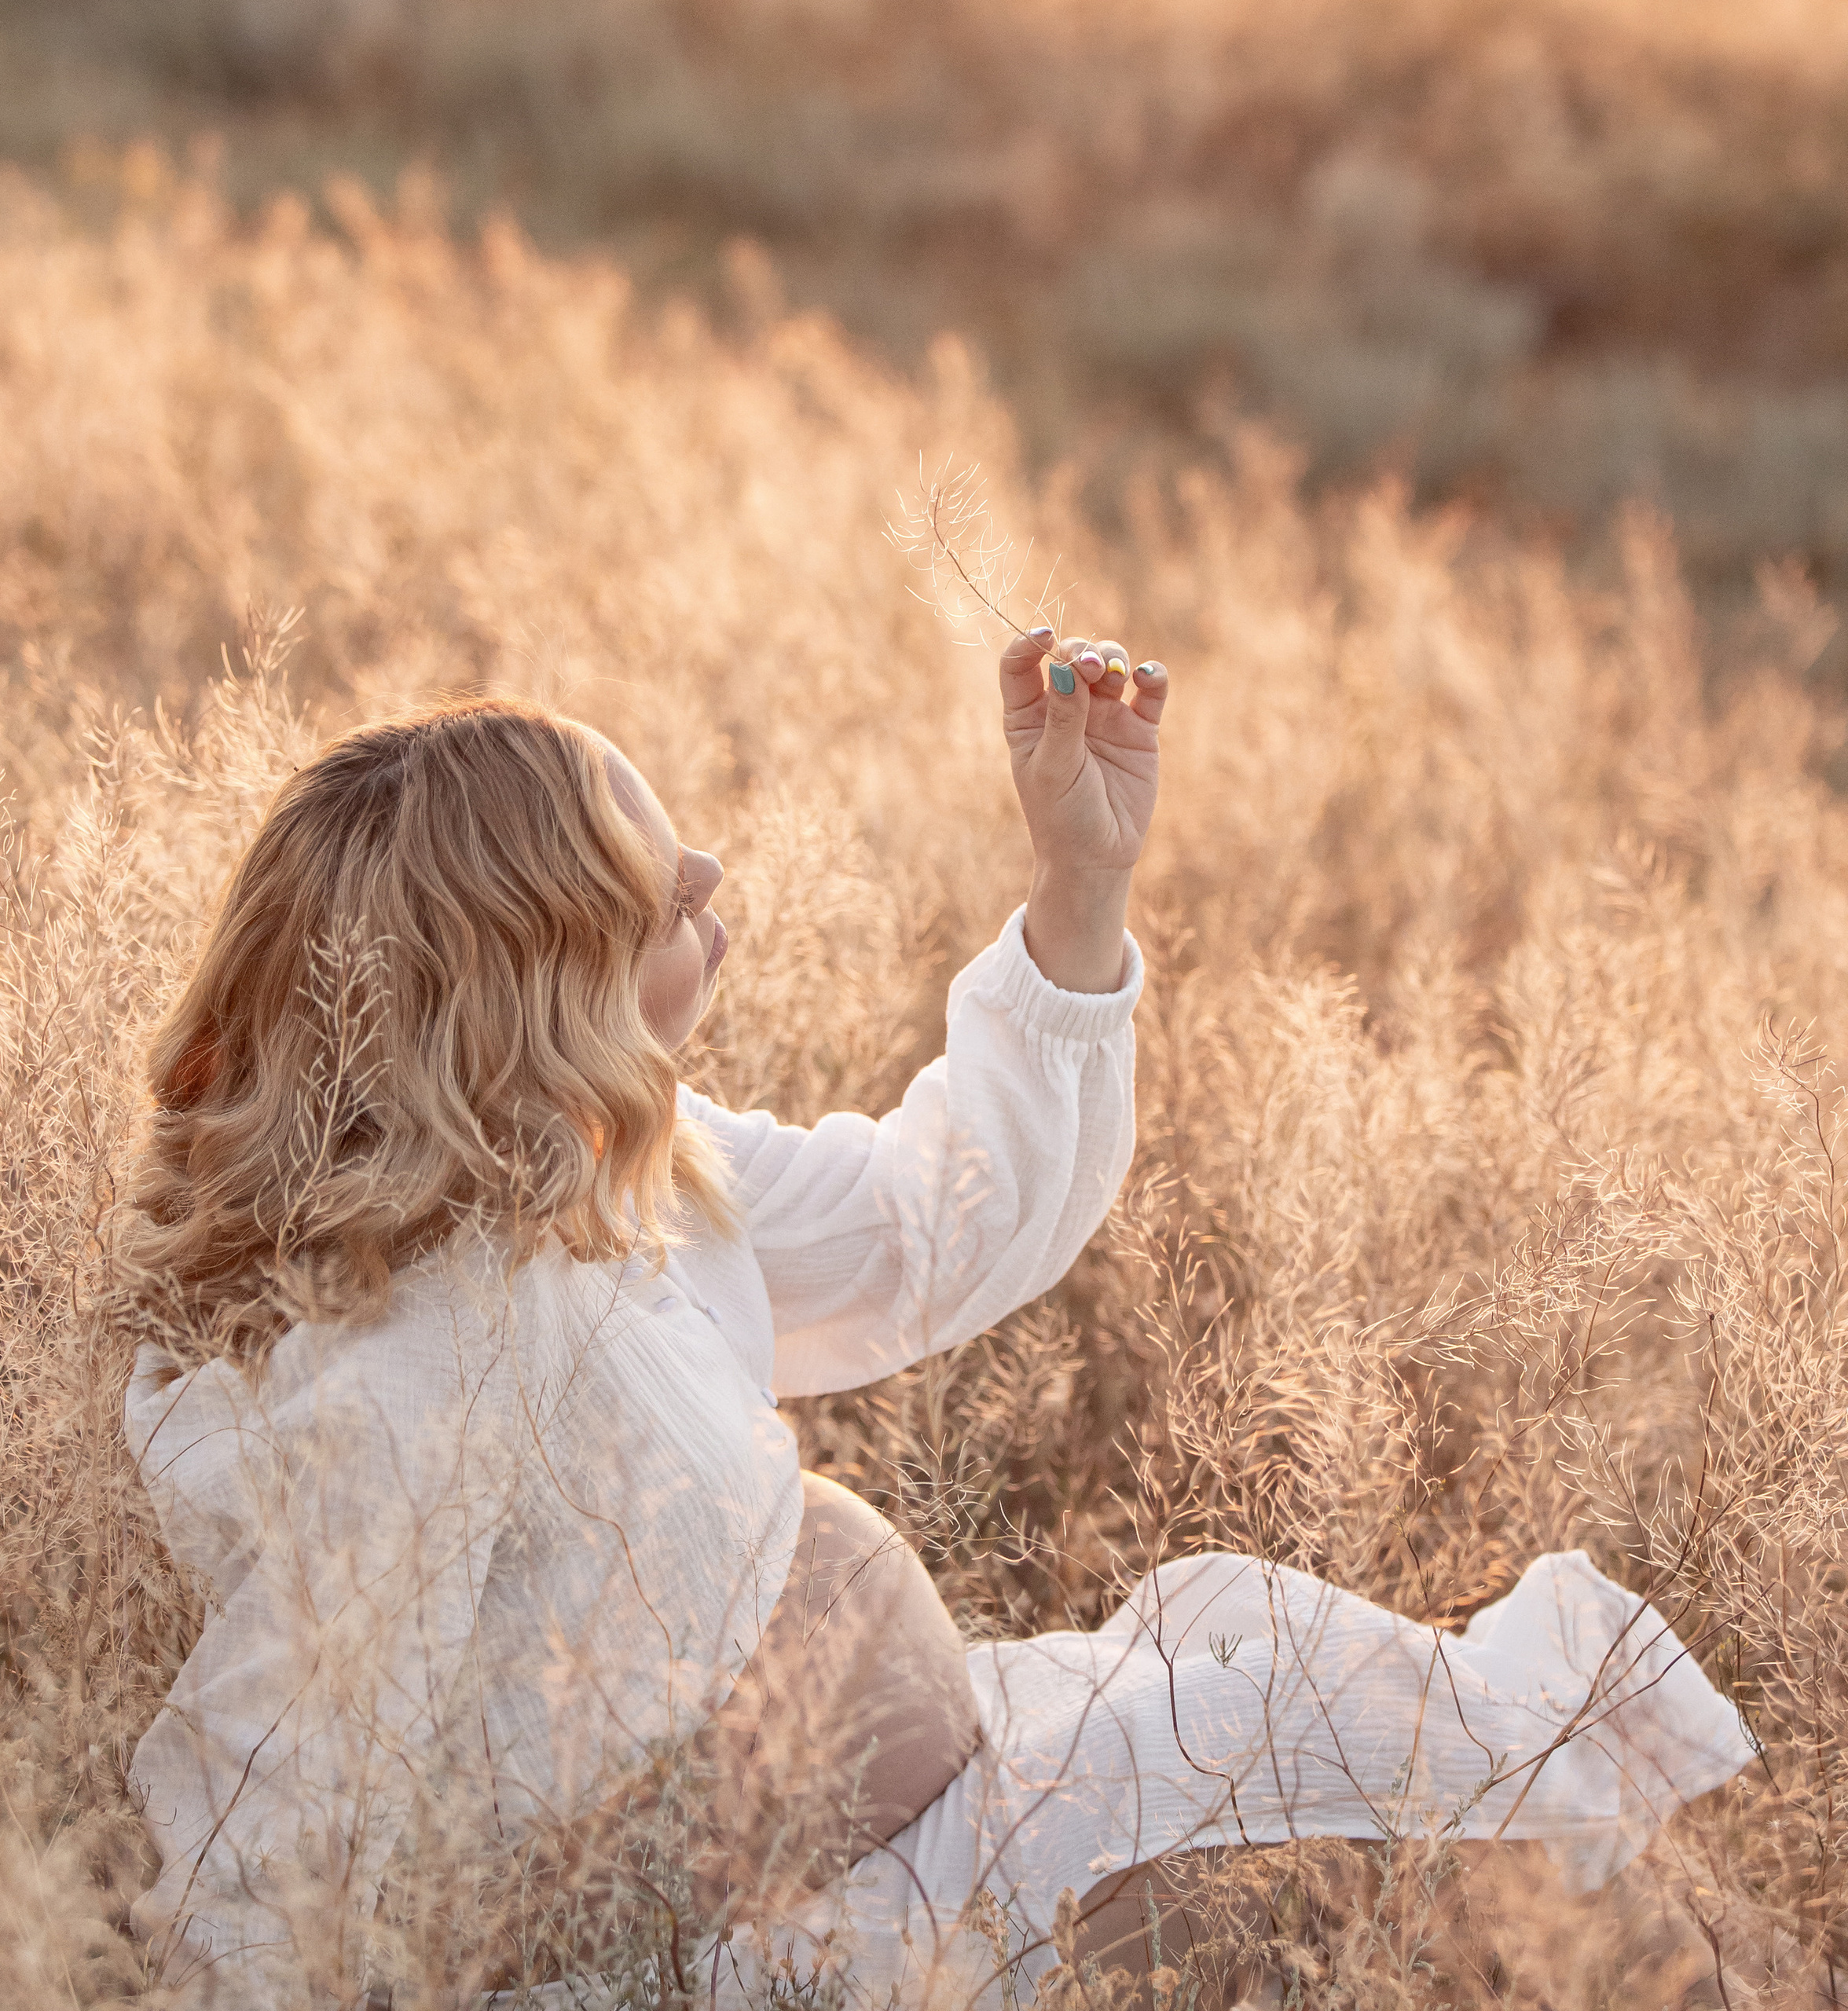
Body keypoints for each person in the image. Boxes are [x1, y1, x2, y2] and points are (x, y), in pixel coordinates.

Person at [116, 630, 1753, 2009]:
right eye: (654, 881)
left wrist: (1077, 881)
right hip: (835, 1933)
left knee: (1428, 1737)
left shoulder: (622, 1173)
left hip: (962, 1790)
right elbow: (280, 1786)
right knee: (1432, 1820)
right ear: (528, 979)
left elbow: (930, 1216)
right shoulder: (401, 1362)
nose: (709, 872)